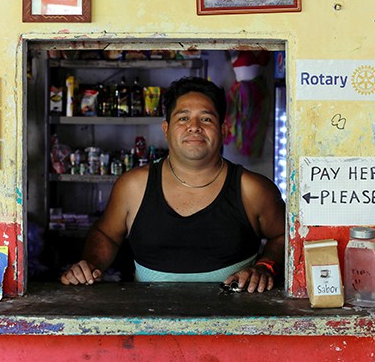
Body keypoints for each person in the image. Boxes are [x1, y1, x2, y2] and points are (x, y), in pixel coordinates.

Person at [60, 77, 285, 293]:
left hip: (237, 325)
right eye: (183, 118)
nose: (194, 127)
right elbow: (106, 234)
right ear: (166, 129)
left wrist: (266, 266)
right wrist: (89, 264)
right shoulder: (134, 186)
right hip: (147, 324)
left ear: (223, 131)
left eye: (206, 119)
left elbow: (284, 236)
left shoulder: (253, 189)